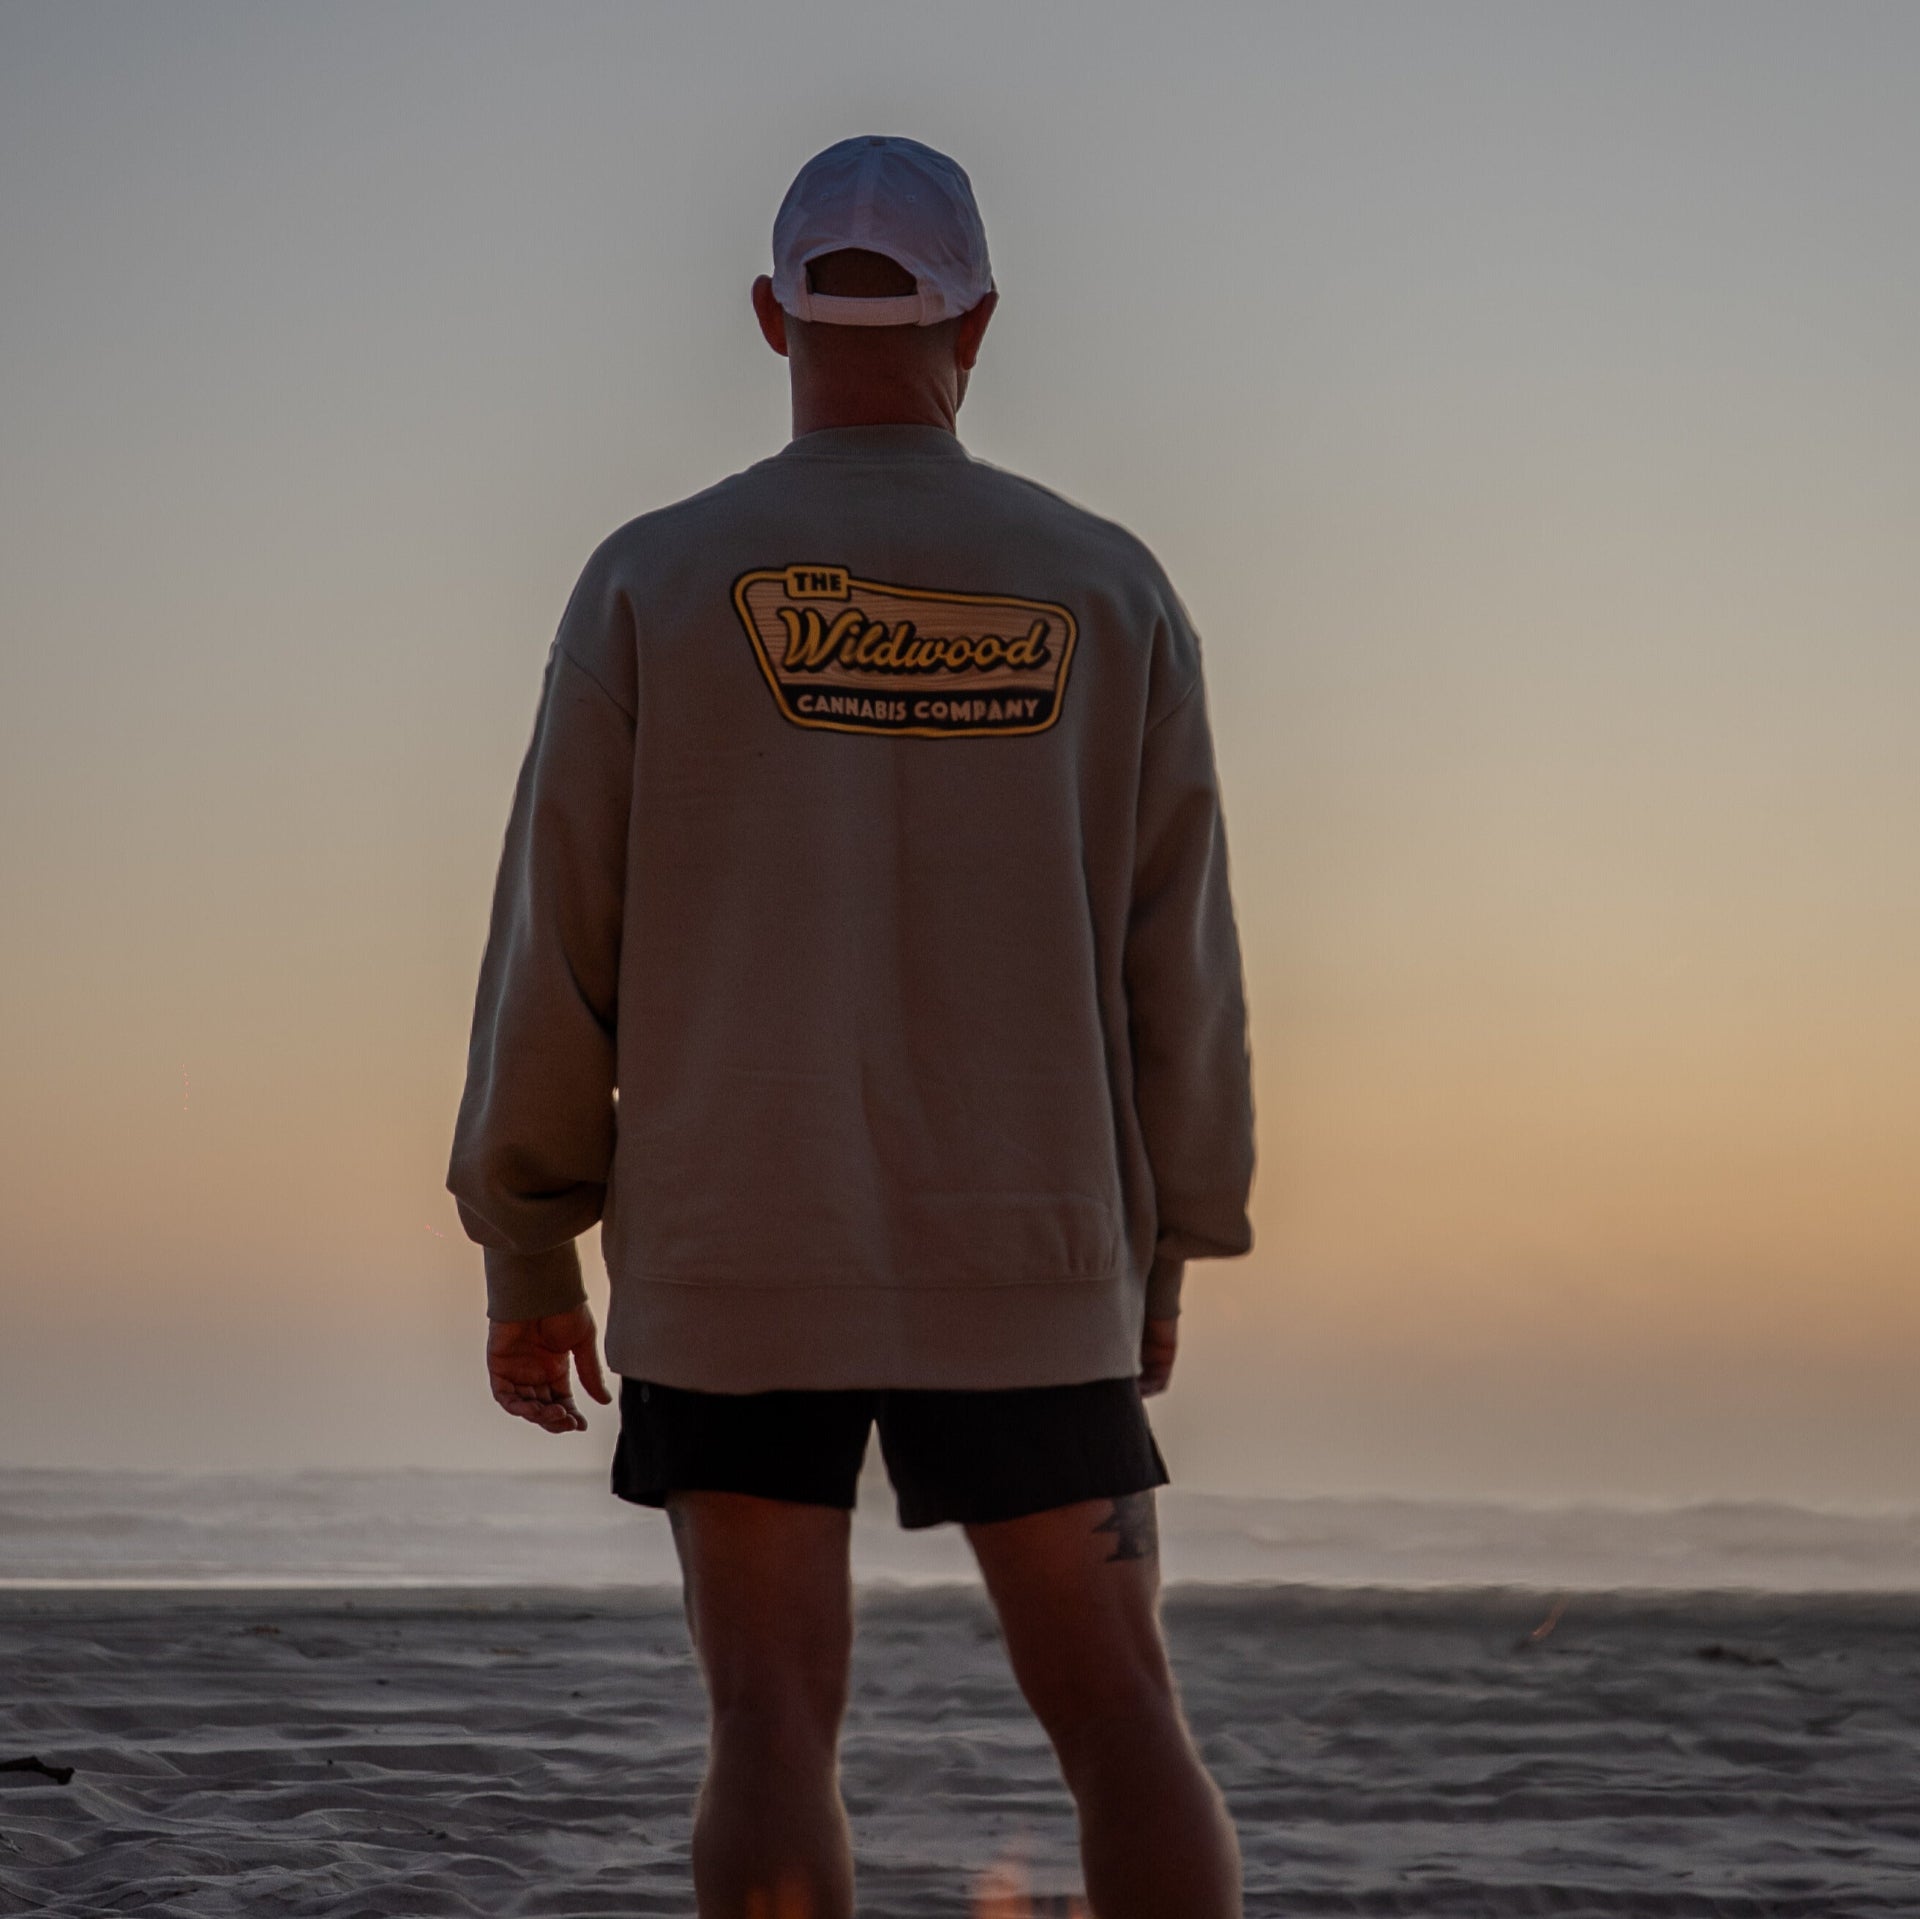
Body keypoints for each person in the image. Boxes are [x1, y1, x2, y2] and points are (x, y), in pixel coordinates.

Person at [448, 134, 1255, 1919]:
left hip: (739, 1244)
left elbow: (555, 933)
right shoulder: (1108, 589)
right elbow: (1178, 964)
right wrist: (1167, 1248)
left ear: (769, 315)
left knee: (768, 1723)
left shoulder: (656, 580)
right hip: (1032, 1241)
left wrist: (527, 1244)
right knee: (1123, 1717)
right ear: (982, 319)